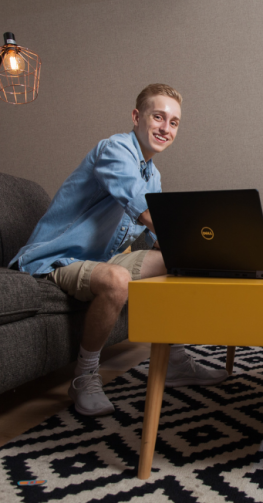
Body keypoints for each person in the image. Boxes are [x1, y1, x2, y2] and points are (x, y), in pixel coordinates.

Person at [9, 83, 228, 417]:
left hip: (100, 259)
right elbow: (143, 211)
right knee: (116, 279)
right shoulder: (113, 150)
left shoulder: (153, 174)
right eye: (158, 117)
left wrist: (188, 252)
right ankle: (84, 378)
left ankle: (175, 361)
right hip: (56, 259)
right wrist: (191, 237)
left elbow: (155, 232)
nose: (165, 128)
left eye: (174, 123)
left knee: (179, 261)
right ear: (137, 117)